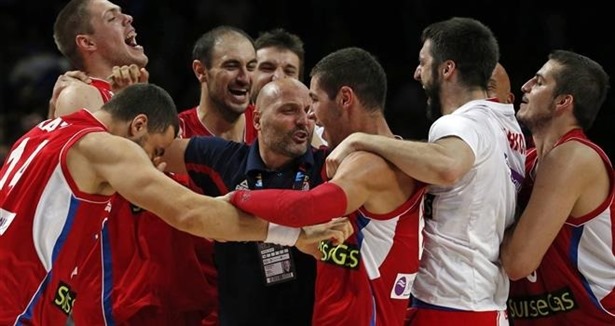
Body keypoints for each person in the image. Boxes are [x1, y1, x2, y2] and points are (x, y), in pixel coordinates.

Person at [0, 83, 352, 325]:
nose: (154, 163)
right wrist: (295, 235)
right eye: (154, 150)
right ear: (138, 125)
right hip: (17, 300)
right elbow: (191, 213)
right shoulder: (106, 147)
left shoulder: (38, 135)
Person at [324, 18, 526, 325]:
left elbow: (446, 166)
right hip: (487, 305)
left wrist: (360, 140)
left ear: (447, 69)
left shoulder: (458, 123)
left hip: (448, 303)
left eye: (423, 62)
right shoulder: (507, 126)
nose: (417, 72)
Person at [227, 47, 426, 326]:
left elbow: (302, 208)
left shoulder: (370, 165)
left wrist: (238, 196)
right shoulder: (384, 153)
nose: (312, 117)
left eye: (314, 101)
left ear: (345, 98)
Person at [164, 77, 323, 325]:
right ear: (257, 120)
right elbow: (152, 149)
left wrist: (359, 142)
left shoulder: (327, 167)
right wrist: (123, 97)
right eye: (289, 110)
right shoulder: (223, 158)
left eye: (308, 112)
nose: (303, 121)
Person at [500, 50, 614, 325]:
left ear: (563, 101)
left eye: (539, 82)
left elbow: (518, 263)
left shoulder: (575, 155)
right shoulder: (525, 161)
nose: (525, 86)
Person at [50, 0, 148, 119]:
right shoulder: (78, 95)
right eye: (112, 18)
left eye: (122, 13)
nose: (128, 17)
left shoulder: (142, 95)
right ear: (88, 43)